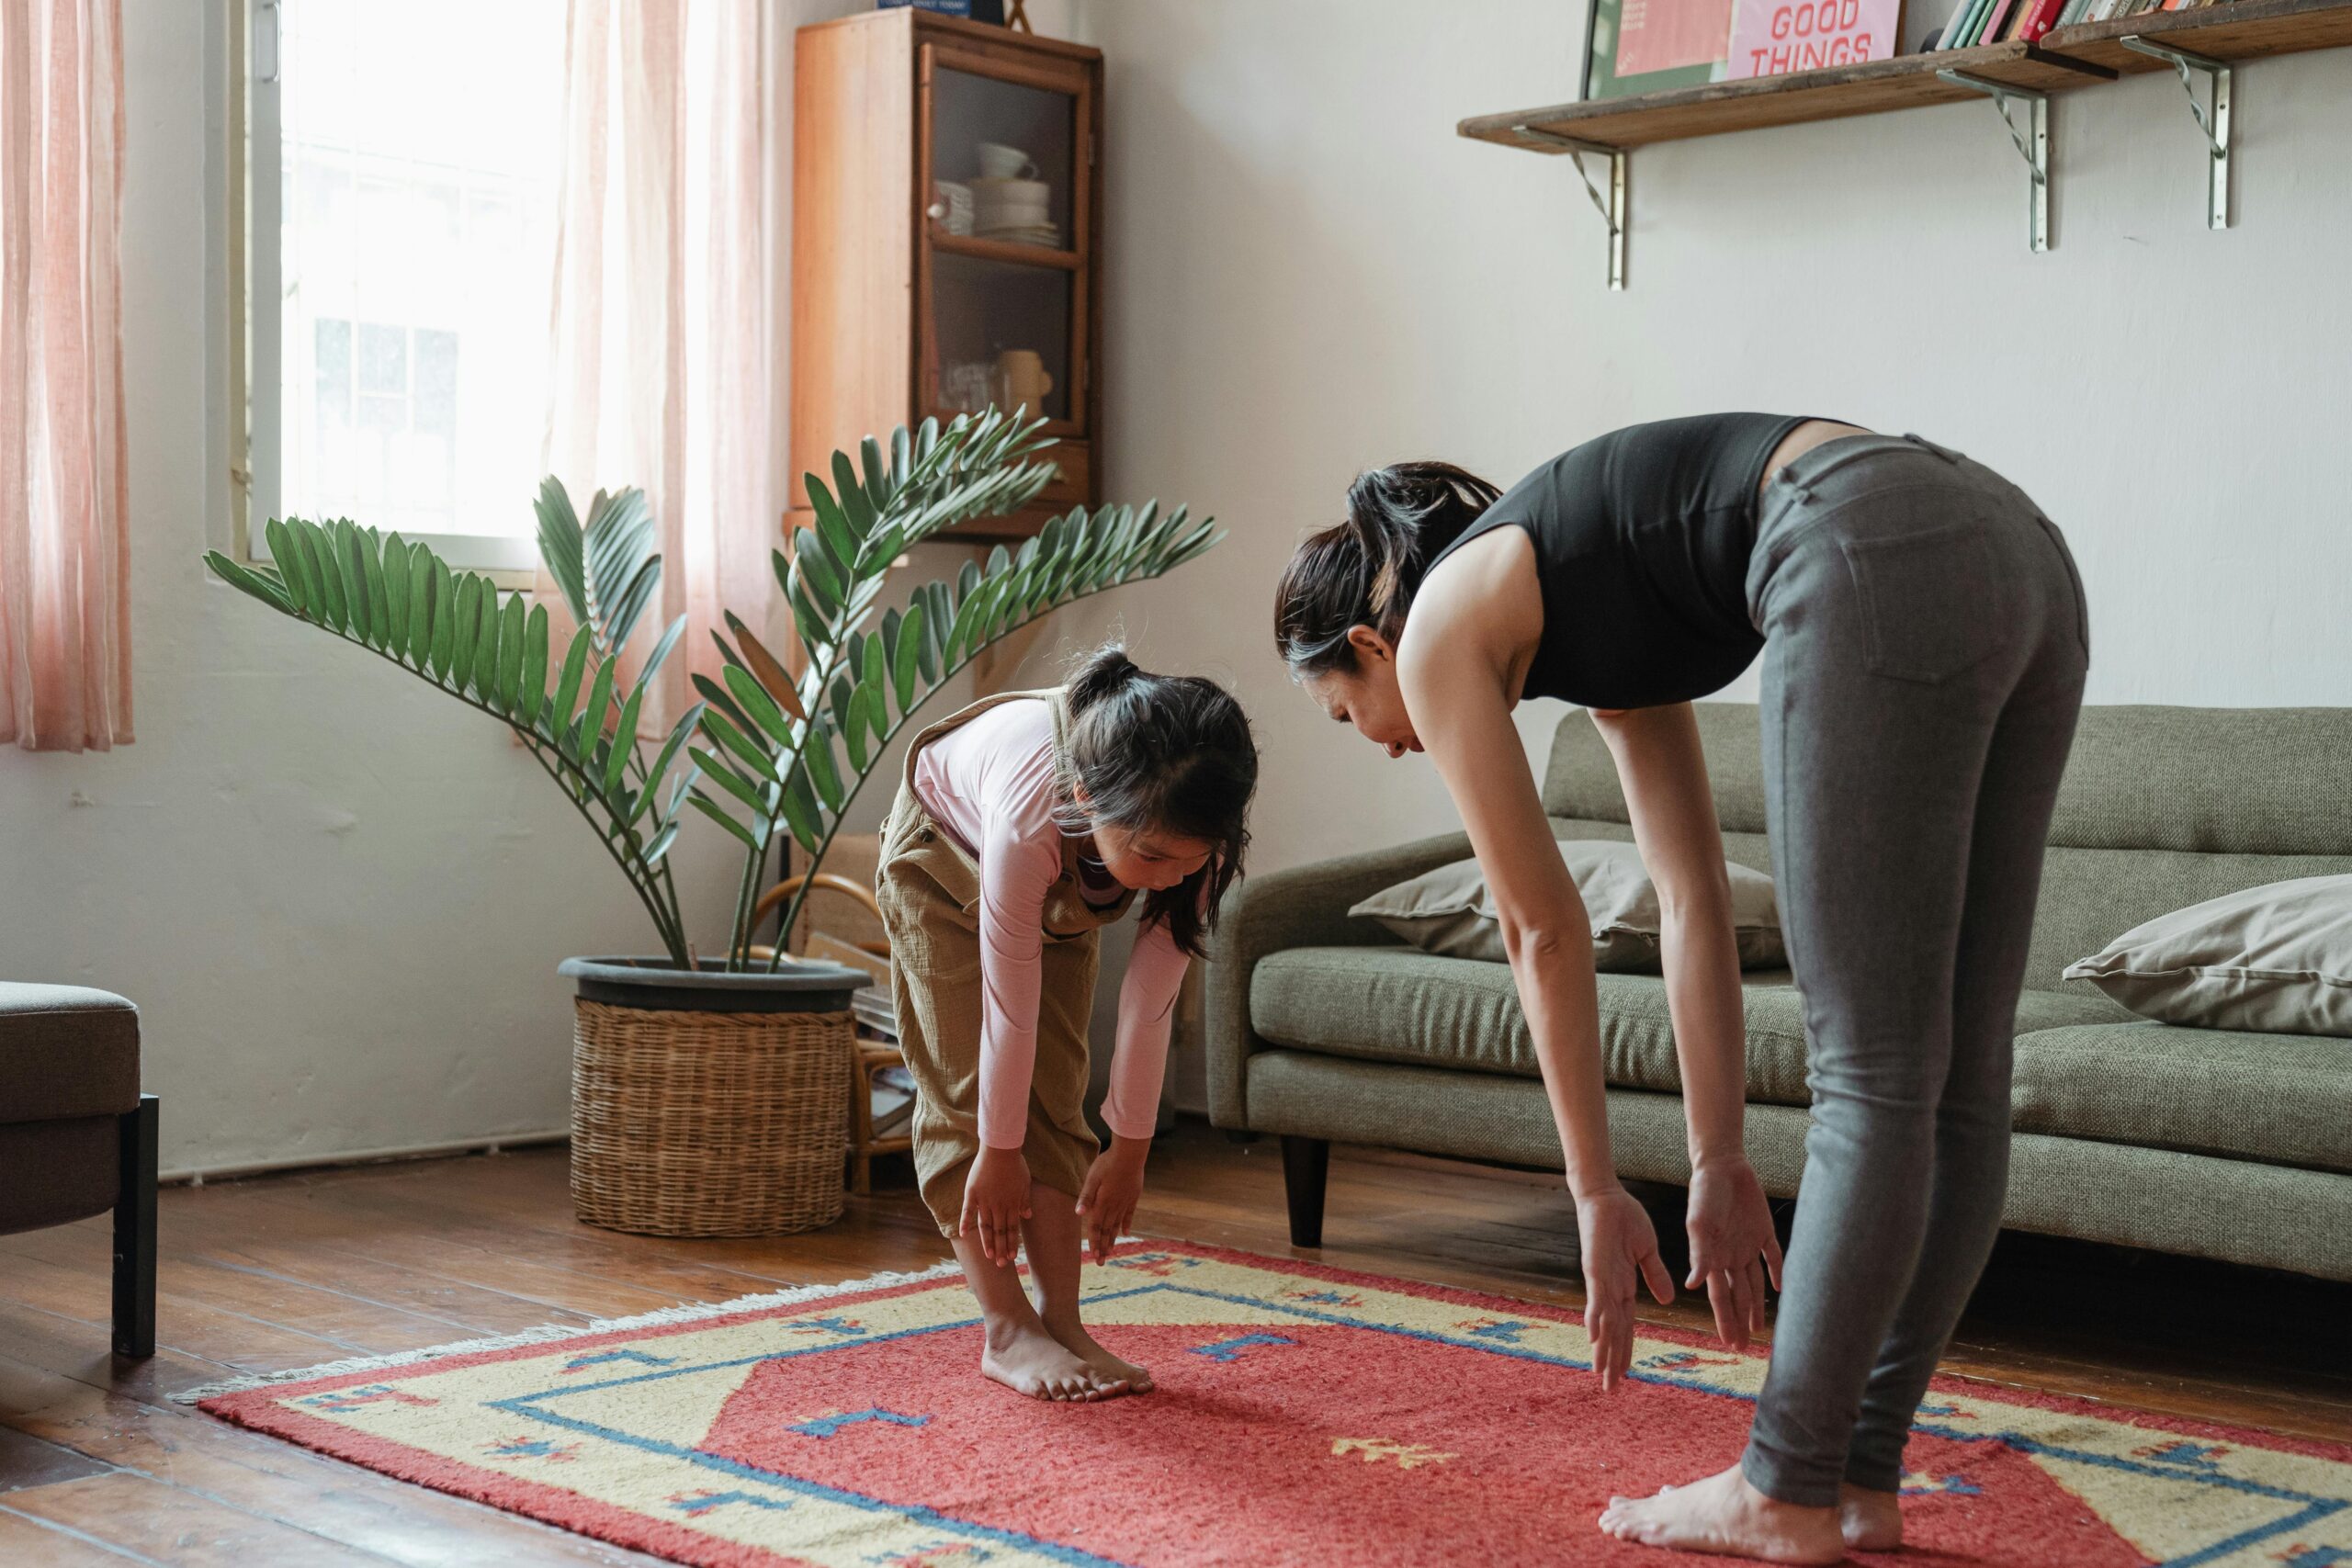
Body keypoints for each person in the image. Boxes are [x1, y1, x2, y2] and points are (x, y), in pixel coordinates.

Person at [1272, 416, 2088, 1562]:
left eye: (1347, 715)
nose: (1387, 741)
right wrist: (1715, 1162)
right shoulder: (1601, 603)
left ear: (1369, 642)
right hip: (2019, 549)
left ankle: (1784, 1485)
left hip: (1863, 535)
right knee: (1956, 1075)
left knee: (1871, 1070)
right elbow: (1689, 898)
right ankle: (1856, 1476)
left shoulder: (1438, 628)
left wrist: (1596, 1191)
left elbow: (1540, 928)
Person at [876, 644, 1258, 1403]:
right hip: (942, 863)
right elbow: (1007, 1009)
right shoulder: (1029, 814)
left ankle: (1063, 1318)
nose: (1172, 876)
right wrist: (997, 1148)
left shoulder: (1195, 841)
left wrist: (1130, 1149)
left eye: (1191, 861)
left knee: (1056, 1092)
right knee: (969, 1090)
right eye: (1151, 855)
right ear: (1086, 795)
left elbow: (1151, 1002)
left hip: (1060, 881)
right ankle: (1007, 1329)